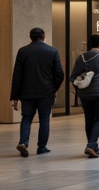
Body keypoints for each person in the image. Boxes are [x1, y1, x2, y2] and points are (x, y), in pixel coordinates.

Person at [10, 27, 65, 157]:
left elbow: (17, 75)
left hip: (27, 93)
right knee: (44, 119)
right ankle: (42, 147)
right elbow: (60, 74)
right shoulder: (52, 51)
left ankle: (23, 142)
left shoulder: (23, 51)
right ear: (43, 36)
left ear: (31, 37)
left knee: (27, 118)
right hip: (46, 92)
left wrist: (15, 95)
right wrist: (53, 88)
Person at [71, 34, 99, 158]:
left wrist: (79, 88)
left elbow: (73, 76)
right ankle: (91, 145)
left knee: (89, 118)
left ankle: (93, 145)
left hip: (84, 94)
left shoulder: (81, 57)